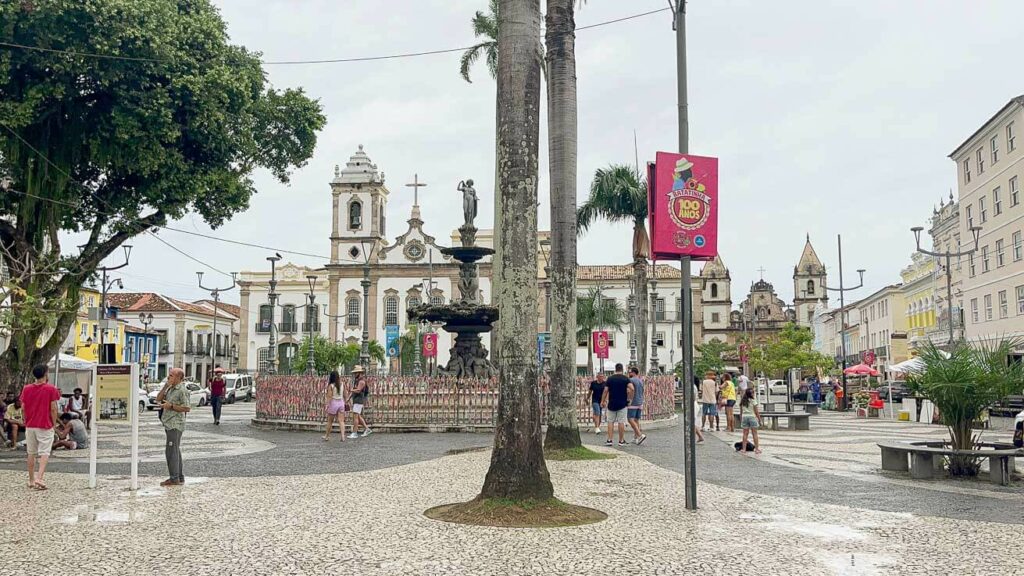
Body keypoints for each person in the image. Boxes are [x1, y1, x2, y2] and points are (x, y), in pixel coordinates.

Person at [20, 364, 61, 490]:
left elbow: (23, 408)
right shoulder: (51, 389)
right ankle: (40, 477)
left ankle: (31, 480)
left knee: (31, 452)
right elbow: (53, 408)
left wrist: (25, 420)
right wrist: (53, 424)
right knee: (44, 452)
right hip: (45, 424)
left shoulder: (26, 389)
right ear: (45, 374)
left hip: (30, 425)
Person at [156, 368, 190, 487]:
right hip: (168, 423)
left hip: (175, 424)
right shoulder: (170, 388)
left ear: (178, 377)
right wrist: (165, 386)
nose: (168, 377)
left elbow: (187, 408)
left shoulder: (182, 390)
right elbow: (158, 399)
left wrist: (171, 406)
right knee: (175, 450)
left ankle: (174, 478)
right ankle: (179, 476)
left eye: (171, 375)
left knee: (171, 451)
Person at [601, 363, 634, 447]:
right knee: (621, 422)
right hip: (622, 404)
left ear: (615, 369)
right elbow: (632, 388)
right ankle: (621, 440)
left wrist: (602, 401)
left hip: (612, 403)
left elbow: (605, 390)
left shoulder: (610, 379)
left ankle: (609, 440)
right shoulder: (625, 379)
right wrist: (629, 399)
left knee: (610, 422)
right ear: (622, 369)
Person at [347, 365, 371, 439]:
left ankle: (354, 433)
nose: (354, 374)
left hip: (359, 400)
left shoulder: (362, 381)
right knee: (358, 416)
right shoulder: (357, 381)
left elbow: (358, 390)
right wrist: (348, 398)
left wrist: (351, 390)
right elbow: (355, 390)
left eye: (355, 373)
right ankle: (367, 429)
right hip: (356, 400)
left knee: (355, 417)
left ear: (359, 373)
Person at [323, 370, 347, 442]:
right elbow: (345, 394)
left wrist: (327, 405)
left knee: (330, 421)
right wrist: (345, 402)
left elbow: (329, 396)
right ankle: (343, 436)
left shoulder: (331, 386)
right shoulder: (342, 384)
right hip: (341, 402)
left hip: (333, 403)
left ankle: (327, 436)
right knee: (341, 421)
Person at [738, 388, 762, 454]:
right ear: (751, 394)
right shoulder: (753, 401)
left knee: (745, 434)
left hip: (744, 417)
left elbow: (741, 412)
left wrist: (741, 419)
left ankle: (744, 449)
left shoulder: (742, 401)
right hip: (752, 417)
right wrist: (759, 420)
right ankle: (757, 449)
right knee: (755, 433)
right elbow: (756, 412)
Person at [626, 366, 647, 445]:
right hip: (639, 401)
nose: (629, 373)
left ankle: (640, 435)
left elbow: (629, 390)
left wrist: (628, 399)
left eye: (630, 372)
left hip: (633, 402)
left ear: (633, 372)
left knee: (630, 419)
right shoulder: (641, 380)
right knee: (636, 420)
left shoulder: (630, 380)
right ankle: (636, 437)